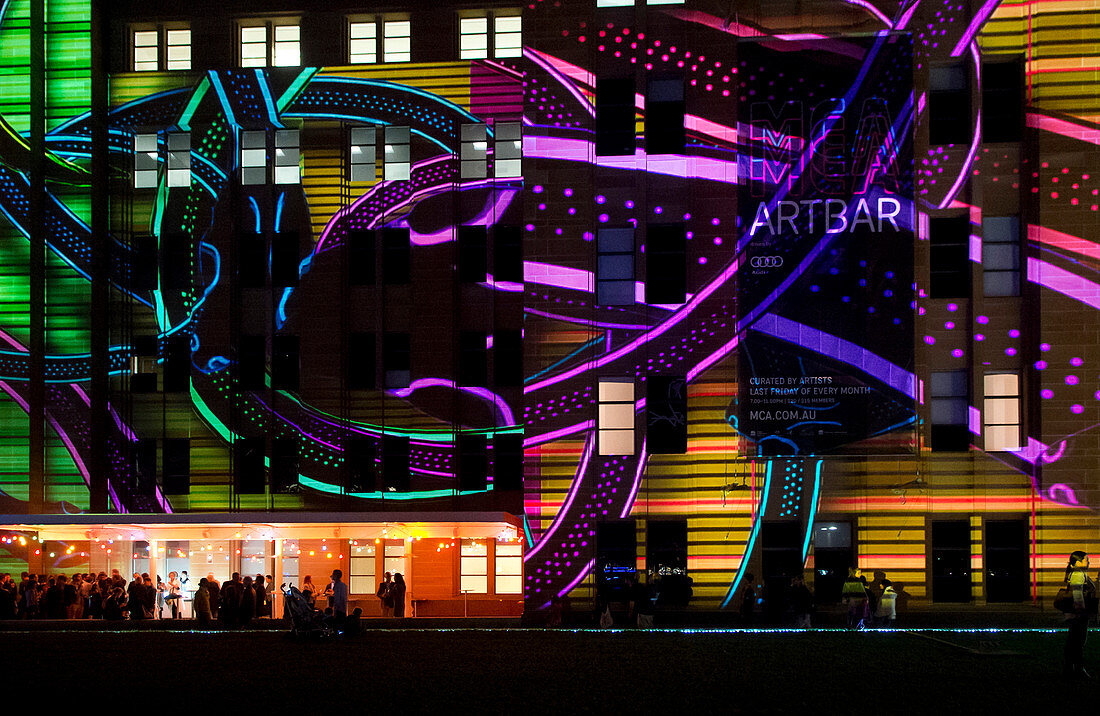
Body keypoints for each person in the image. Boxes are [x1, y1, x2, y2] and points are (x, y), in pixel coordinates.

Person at [1064, 551, 1094, 679]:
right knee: (1078, 642)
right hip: (1078, 615)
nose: (1088, 562)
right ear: (1078, 562)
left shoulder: (1076, 573)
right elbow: (1078, 596)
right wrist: (1081, 612)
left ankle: (1071, 668)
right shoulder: (1078, 574)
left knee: (1074, 642)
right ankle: (1077, 669)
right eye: (1086, 560)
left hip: (1074, 615)